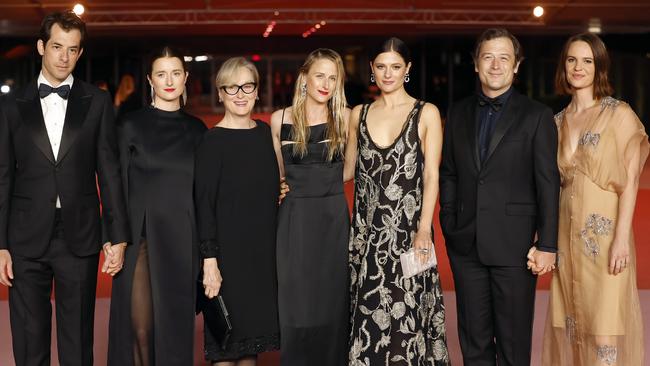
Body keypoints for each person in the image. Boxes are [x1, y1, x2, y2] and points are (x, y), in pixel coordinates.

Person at [0, 11, 130, 366]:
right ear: (41, 46)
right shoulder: (11, 105)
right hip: (25, 236)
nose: (64, 56)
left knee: (78, 342)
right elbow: (2, 176)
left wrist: (116, 233)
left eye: (72, 50)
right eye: (57, 47)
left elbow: (109, 170)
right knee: (29, 342)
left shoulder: (97, 102)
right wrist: (0, 244)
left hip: (81, 234)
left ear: (80, 53)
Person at [438, 28, 559, 366]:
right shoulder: (458, 112)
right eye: (488, 57)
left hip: (515, 247)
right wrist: (450, 219)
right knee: (473, 343)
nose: (495, 65)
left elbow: (548, 182)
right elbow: (448, 171)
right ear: (476, 64)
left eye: (504, 57)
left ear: (516, 66)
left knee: (513, 344)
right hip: (466, 244)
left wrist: (547, 243)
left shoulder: (537, 116)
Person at [539, 32, 648, 366]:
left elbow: (629, 182)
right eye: (572, 60)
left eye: (587, 61)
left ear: (599, 67)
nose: (578, 67)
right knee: (573, 327)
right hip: (566, 239)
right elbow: (551, 186)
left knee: (603, 331)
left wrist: (621, 241)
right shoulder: (556, 122)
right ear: (563, 66)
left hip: (604, 240)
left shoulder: (619, 114)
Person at [346, 37, 450, 365]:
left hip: (409, 235)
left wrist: (424, 230)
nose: (387, 74)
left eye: (395, 67)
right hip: (366, 237)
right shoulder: (358, 114)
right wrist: (289, 178)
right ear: (371, 71)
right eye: (380, 67)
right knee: (367, 322)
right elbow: (347, 170)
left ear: (407, 70)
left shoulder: (426, 112)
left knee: (409, 318)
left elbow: (431, 175)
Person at [107, 46, 206, 366]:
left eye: (175, 73)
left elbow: (206, 193)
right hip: (141, 240)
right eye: (161, 74)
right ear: (150, 79)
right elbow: (115, 187)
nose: (169, 80)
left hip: (182, 241)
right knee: (140, 329)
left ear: (185, 78)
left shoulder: (197, 130)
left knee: (176, 333)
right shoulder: (129, 126)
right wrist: (115, 239)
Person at [194, 57, 280, 366]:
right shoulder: (211, 142)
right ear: (220, 93)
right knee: (225, 349)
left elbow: (272, 186)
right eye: (232, 87)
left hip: (260, 259)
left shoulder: (265, 135)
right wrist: (209, 261)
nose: (240, 93)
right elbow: (204, 205)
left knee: (249, 353)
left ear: (258, 91)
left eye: (247, 86)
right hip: (226, 262)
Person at [270, 48, 351, 365]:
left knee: (332, 302)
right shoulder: (280, 120)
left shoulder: (346, 118)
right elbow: (276, 176)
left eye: (333, 78)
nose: (326, 84)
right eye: (320, 75)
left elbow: (350, 169)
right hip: (294, 220)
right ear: (304, 77)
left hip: (332, 219)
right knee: (295, 302)